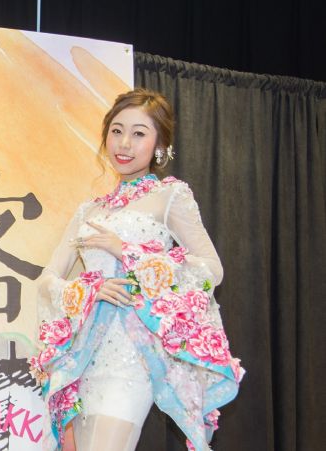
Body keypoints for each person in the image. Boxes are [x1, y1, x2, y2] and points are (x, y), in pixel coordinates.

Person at [29, 88, 244, 451]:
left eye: (139, 133)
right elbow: (47, 279)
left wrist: (128, 252)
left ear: (160, 145)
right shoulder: (89, 211)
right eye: (117, 131)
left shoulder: (170, 197)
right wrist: (87, 290)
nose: (124, 143)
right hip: (84, 357)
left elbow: (211, 270)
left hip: (132, 359)